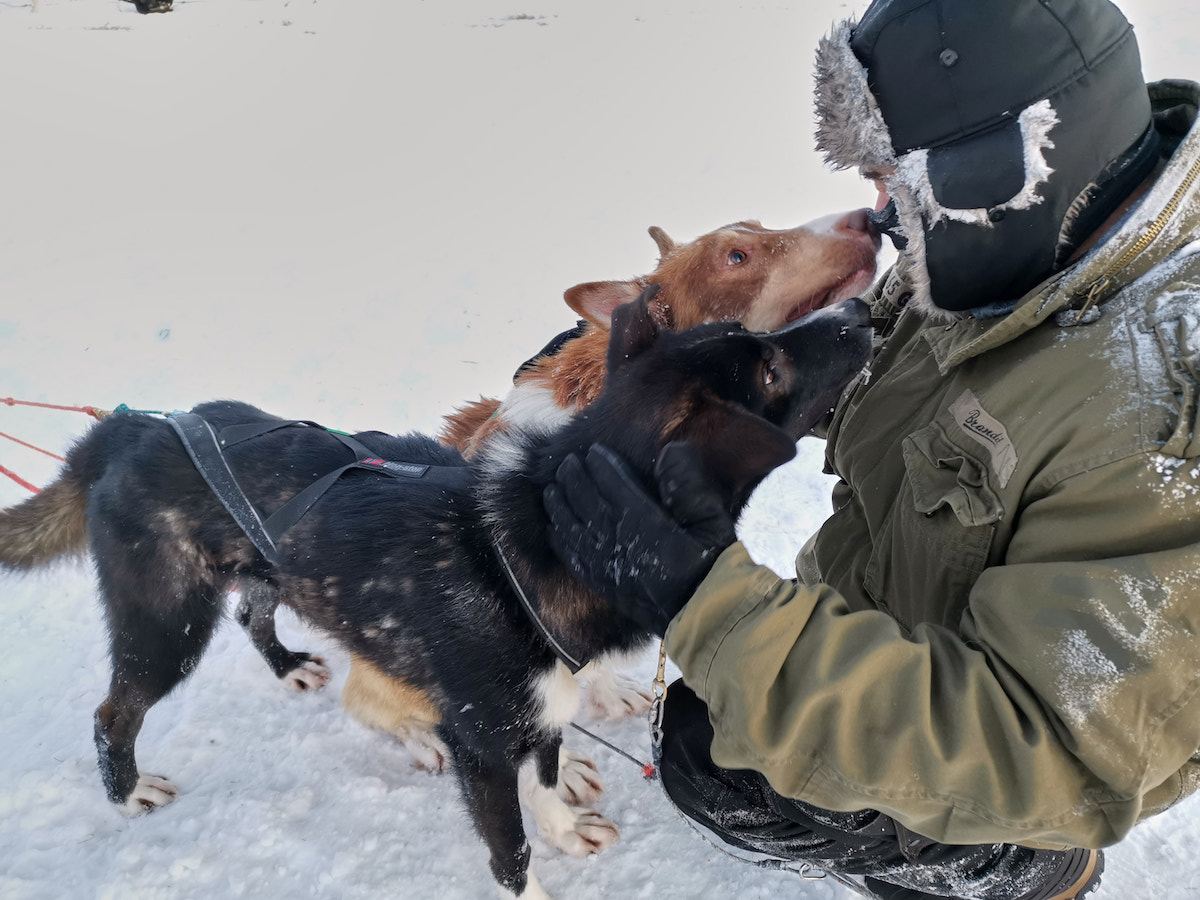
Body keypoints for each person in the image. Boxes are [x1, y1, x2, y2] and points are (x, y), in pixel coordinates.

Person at [542, 1, 1200, 898]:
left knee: (724, 767)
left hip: (1000, 743)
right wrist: (681, 383)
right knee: (711, 725)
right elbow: (869, 373)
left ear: (1003, 170)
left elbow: (1039, 742)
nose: (882, 215)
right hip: (890, 608)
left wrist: (706, 597)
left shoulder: (1162, 424)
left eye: (899, 181)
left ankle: (1024, 867)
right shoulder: (1021, 251)